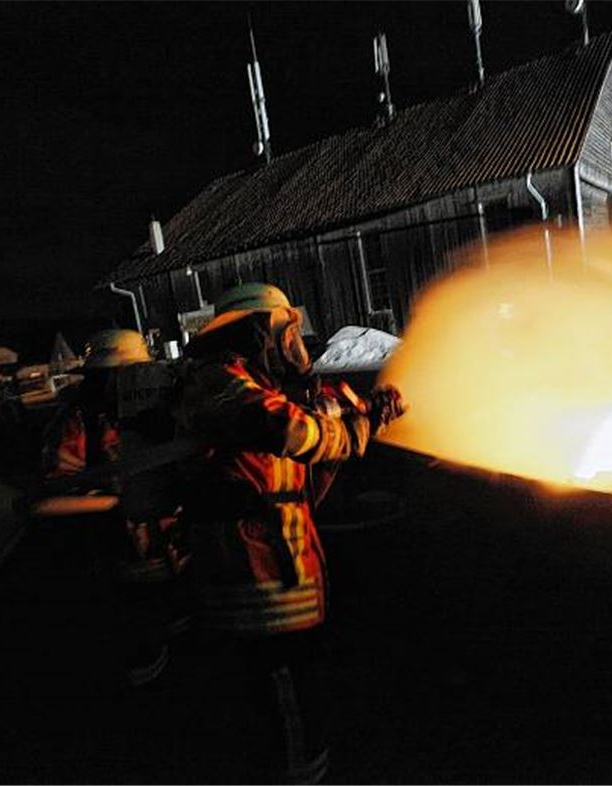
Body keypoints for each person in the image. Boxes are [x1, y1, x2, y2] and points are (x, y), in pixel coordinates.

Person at [173, 283, 404, 784]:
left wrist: (362, 411)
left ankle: (299, 764)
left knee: (294, 684)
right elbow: (296, 432)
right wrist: (360, 431)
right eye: (286, 332)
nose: (294, 344)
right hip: (254, 576)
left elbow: (313, 420)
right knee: (280, 688)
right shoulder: (220, 384)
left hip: (283, 570)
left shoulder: (255, 384)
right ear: (259, 333)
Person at [41, 328, 189, 687]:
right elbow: (57, 485)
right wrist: (113, 501)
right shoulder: (80, 420)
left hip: (178, 547)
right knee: (142, 644)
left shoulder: (166, 410)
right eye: (115, 376)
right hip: (121, 551)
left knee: (185, 631)